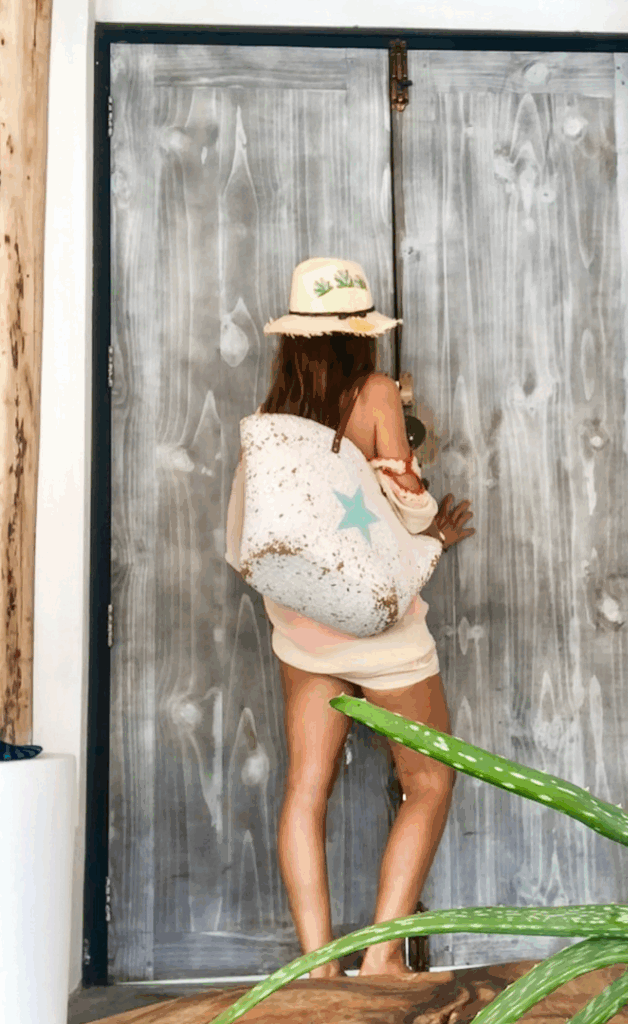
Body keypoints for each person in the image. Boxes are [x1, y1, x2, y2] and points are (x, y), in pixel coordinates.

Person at [225, 257, 474, 978]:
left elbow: (251, 531)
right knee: (428, 782)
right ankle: (383, 959)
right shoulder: (375, 392)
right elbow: (412, 509)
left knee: (306, 791)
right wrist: (433, 531)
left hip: (304, 630)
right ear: (360, 333)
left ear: (293, 337)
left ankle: (318, 967)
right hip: (380, 634)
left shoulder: (273, 414)